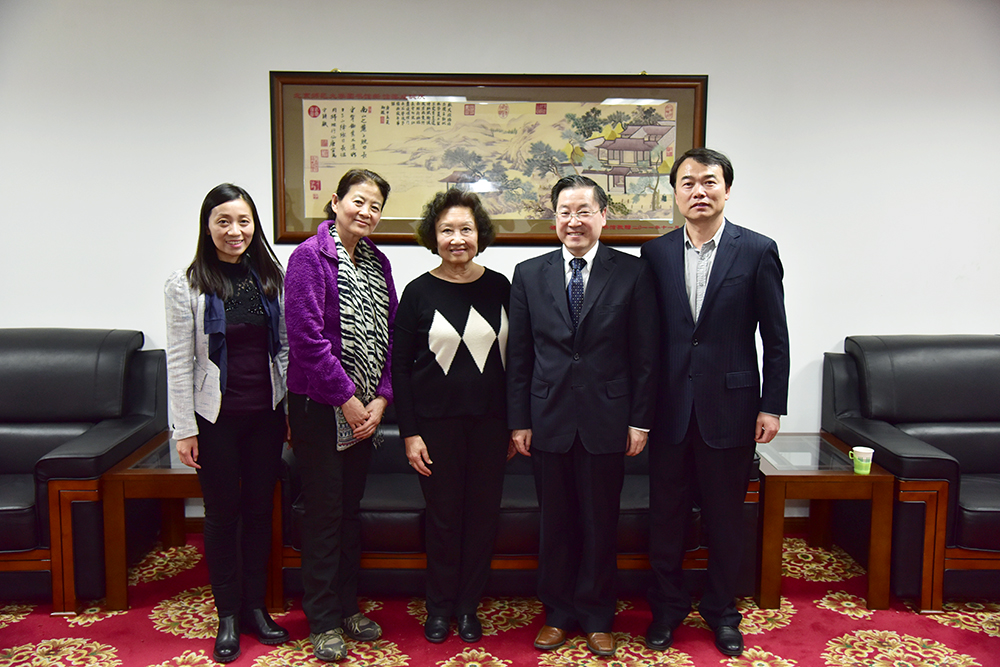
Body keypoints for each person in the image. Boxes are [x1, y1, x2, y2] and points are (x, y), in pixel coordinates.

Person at [641, 148, 790, 657]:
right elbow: (649, 339)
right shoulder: (655, 253)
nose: (698, 191)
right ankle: (667, 609)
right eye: (687, 183)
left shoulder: (757, 250)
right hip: (669, 411)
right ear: (675, 193)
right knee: (667, 518)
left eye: (709, 181)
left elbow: (776, 336)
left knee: (726, 519)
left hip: (731, 408)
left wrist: (772, 405)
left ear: (727, 189)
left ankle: (723, 611)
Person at [506, 175, 658, 657]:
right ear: (554, 218)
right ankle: (557, 614)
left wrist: (639, 420)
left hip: (607, 419)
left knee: (599, 523)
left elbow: (645, 355)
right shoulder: (528, 273)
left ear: (603, 216)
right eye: (565, 212)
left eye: (584, 211)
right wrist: (519, 420)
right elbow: (520, 356)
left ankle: (596, 616)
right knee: (555, 525)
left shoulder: (632, 272)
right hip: (547, 417)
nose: (574, 221)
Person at [164, 183, 289, 663]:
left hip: (265, 415)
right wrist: (184, 429)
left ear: (254, 225)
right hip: (214, 418)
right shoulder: (187, 284)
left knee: (259, 512)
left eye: (243, 221)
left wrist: (290, 412)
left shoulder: (270, 277)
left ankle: (255, 607)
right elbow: (180, 361)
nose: (235, 231)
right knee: (221, 515)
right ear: (208, 226)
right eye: (224, 221)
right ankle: (228, 616)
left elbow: (284, 348)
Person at [284, 169, 397, 663]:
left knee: (350, 514)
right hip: (319, 408)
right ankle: (323, 618)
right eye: (358, 201)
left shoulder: (378, 261)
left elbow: (390, 337)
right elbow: (306, 340)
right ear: (335, 201)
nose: (365, 212)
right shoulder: (309, 257)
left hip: (365, 411)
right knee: (325, 515)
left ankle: (348, 607)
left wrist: (381, 398)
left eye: (375, 206)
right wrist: (347, 399)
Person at [392, 189, 512, 645]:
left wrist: (516, 424)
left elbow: (518, 361)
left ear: (480, 234)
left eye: (466, 229)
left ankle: (468, 606)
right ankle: (439, 607)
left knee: (482, 519)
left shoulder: (501, 287)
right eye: (447, 230)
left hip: (491, 426)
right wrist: (410, 433)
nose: (457, 238)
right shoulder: (418, 292)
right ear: (433, 236)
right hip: (435, 428)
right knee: (443, 519)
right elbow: (399, 368)